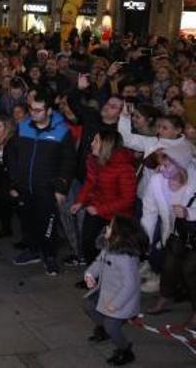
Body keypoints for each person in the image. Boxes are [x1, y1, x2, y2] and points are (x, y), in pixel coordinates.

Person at [8, 89, 76, 276]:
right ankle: (33, 250)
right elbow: (12, 155)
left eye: (38, 110)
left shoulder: (62, 132)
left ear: (49, 111)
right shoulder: (23, 128)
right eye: (32, 109)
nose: (34, 113)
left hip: (48, 188)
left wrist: (61, 188)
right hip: (25, 186)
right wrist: (14, 182)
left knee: (47, 223)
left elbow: (68, 162)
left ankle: (49, 255)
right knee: (28, 221)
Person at [143, 144, 196, 328]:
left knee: (190, 270)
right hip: (175, 234)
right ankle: (165, 297)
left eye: (167, 164)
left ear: (181, 165)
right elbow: (149, 211)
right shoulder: (157, 181)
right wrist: (145, 240)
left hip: (194, 233)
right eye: (161, 163)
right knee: (169, 265)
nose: (160, 168)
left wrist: (189, 213)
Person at [83, 216, 146, 366]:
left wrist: (116, 304)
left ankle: (125, 350)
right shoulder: (109, 246)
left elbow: (130, 285)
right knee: (88, 306)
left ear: (119, 234)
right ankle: (103, 328)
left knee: (112, 325)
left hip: (122, 299)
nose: (107, 228)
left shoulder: (125, 258)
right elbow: (99, 262)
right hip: (106, 290)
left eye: (110, 227)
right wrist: (90, 274)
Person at [71, 131, 136, 264]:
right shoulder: (93, 160)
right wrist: (80, 201)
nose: (91, 144)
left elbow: (128, 200)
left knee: (111, 251)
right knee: (88, 242)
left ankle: (106, 280)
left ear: (106, 145)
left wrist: (99, 210)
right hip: (96, 207)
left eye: (96, 141)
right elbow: (90, 182)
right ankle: (92, 277)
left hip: (116, 216)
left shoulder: (124, 168)